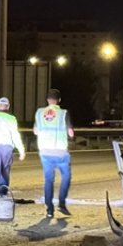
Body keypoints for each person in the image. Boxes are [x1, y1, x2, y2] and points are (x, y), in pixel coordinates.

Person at [33, 88, 74, 218]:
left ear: (47, 100)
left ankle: (49, 209)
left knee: (48, 180)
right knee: (66, 177)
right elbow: (71, 133)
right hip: (60, 152)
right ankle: (61, 203)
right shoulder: (63, 113)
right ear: (59, 100)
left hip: (45, 151)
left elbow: (35, 131)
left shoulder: (40, 113)